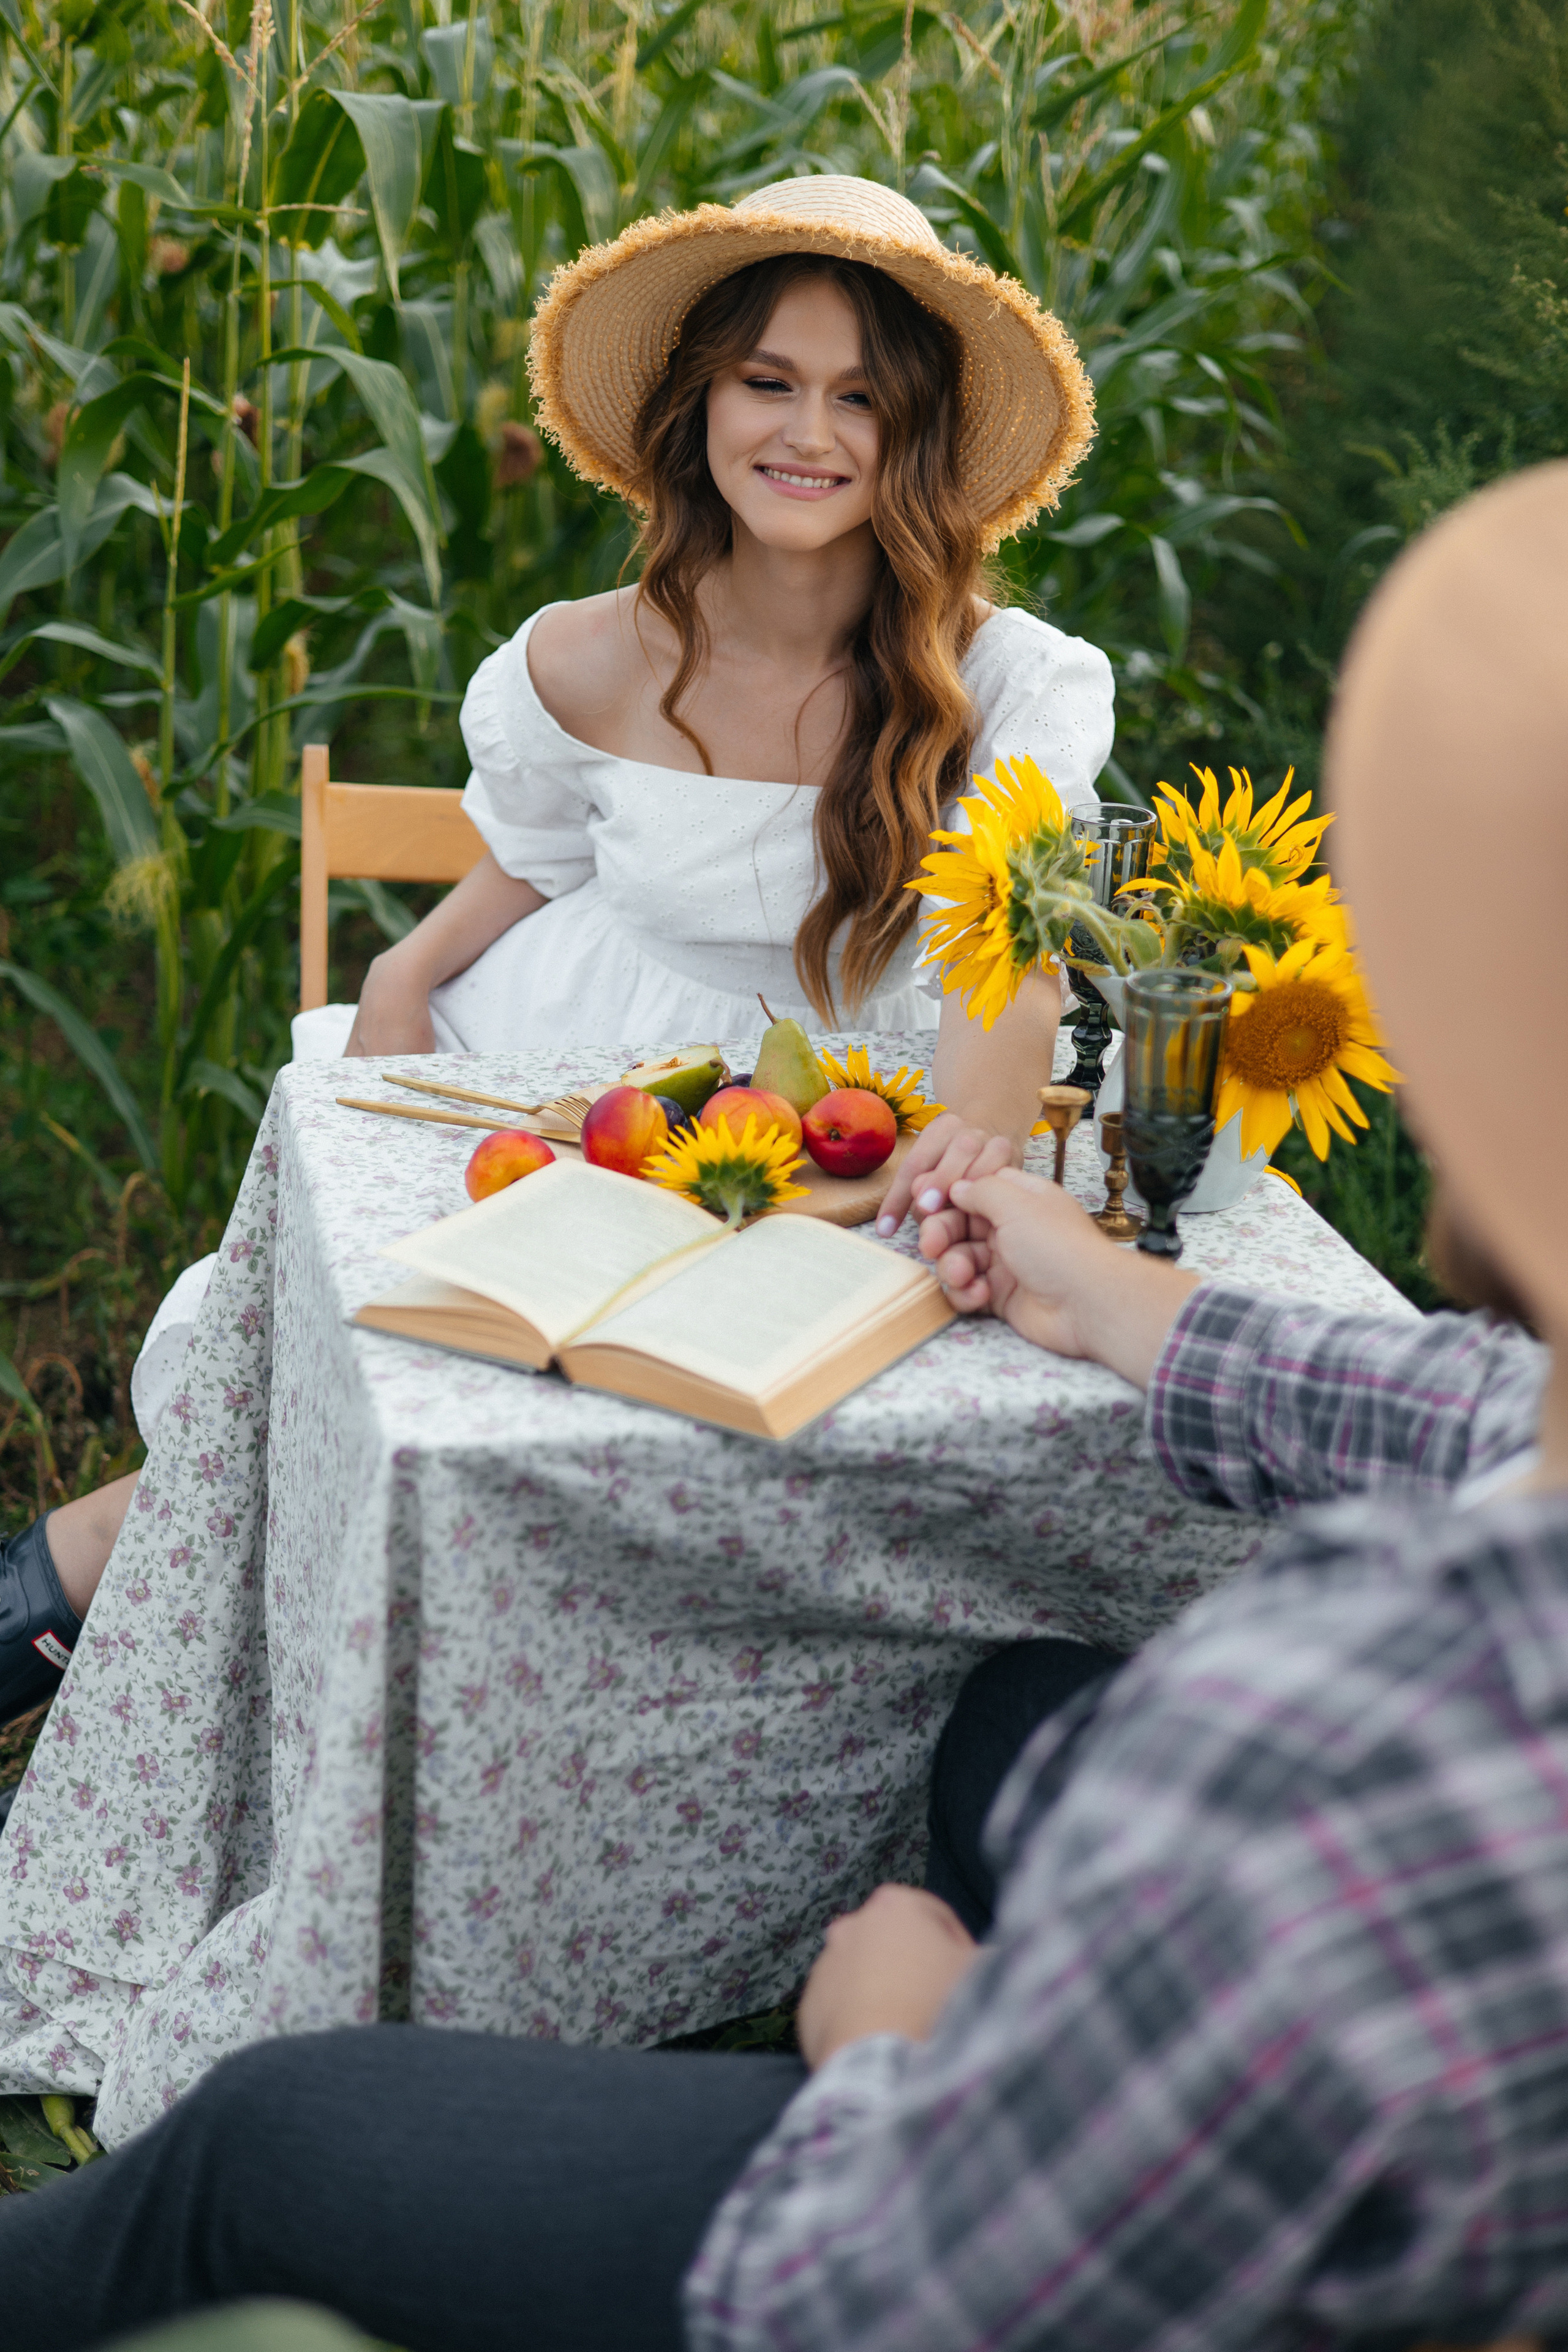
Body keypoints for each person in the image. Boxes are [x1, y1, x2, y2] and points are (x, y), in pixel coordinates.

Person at [2, 464, 1565, 2351]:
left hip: (968, 2232)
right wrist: (1110, 1292)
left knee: (272, 2134)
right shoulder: (1489, 1518)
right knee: (1009, 1704)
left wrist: (887, 2024)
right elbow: (1476, 1406)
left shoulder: (1346, 1718)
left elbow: (892, 2283)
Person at [0, 176, 1113, 1740]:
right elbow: (540, 852)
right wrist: (401, 976)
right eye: (766, 382)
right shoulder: (578, 656)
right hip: (600, 1060)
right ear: (700, 401)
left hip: (878, 1093)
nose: (808, 432)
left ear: (913, 433)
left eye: (859, 395)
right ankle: (115, 1585)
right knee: (439, 1368)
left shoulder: (1007, 683)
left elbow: (1019, 954)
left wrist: (962, 1146)